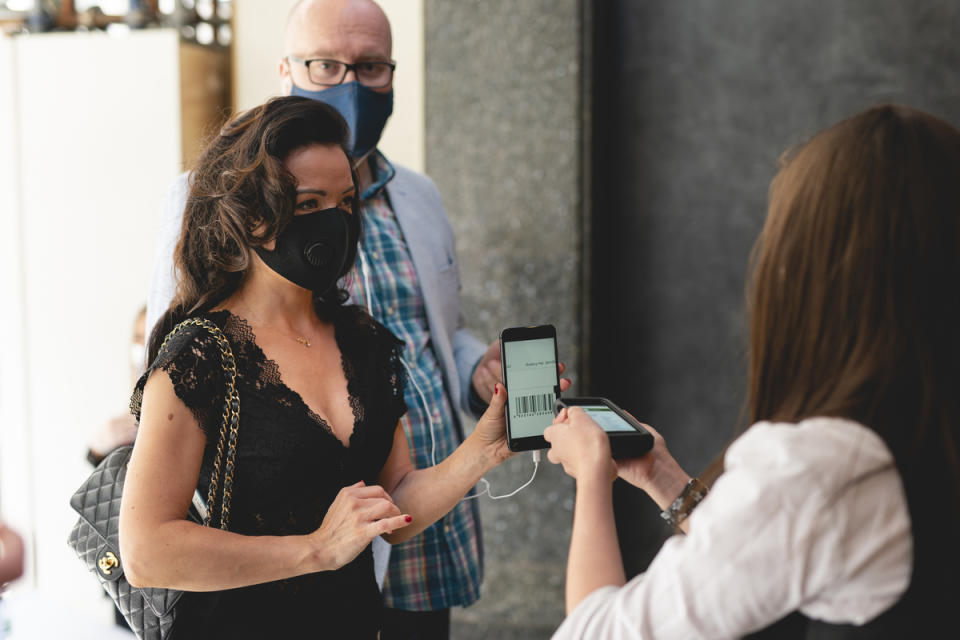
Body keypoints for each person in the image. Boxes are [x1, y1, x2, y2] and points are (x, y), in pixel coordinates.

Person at [144, 2, 569, 636]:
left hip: (372, 597)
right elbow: (152, 544)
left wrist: (486, 444)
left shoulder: (366, 338)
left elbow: (396, 488)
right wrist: (316, 547)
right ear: (252, 214)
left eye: (344, 203)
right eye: (307, 203)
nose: (333, 225)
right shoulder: (200, 352)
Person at [544, 104, 960, 638]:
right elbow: (767, 549)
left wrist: (592, 476)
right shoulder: (918, 429)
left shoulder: (829, 465)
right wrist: (661, 475)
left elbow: (595, 633)